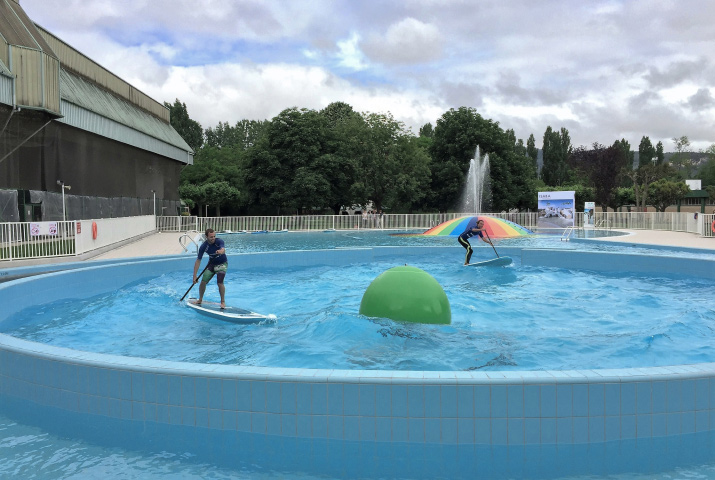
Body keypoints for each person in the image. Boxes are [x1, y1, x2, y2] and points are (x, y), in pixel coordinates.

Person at [192, 228, 228, 308]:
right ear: (206, 237)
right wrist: (195, 275)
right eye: (211, 237)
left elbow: (223, 249)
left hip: (222, 264)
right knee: (203, 282)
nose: (213, 238)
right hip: (211, 264)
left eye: (214, 236)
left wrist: (220, 251)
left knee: (220, 282)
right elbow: (198, 261)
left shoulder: (219, 241)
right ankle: (200, 299)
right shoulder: (203, 246)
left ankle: (222, 302)